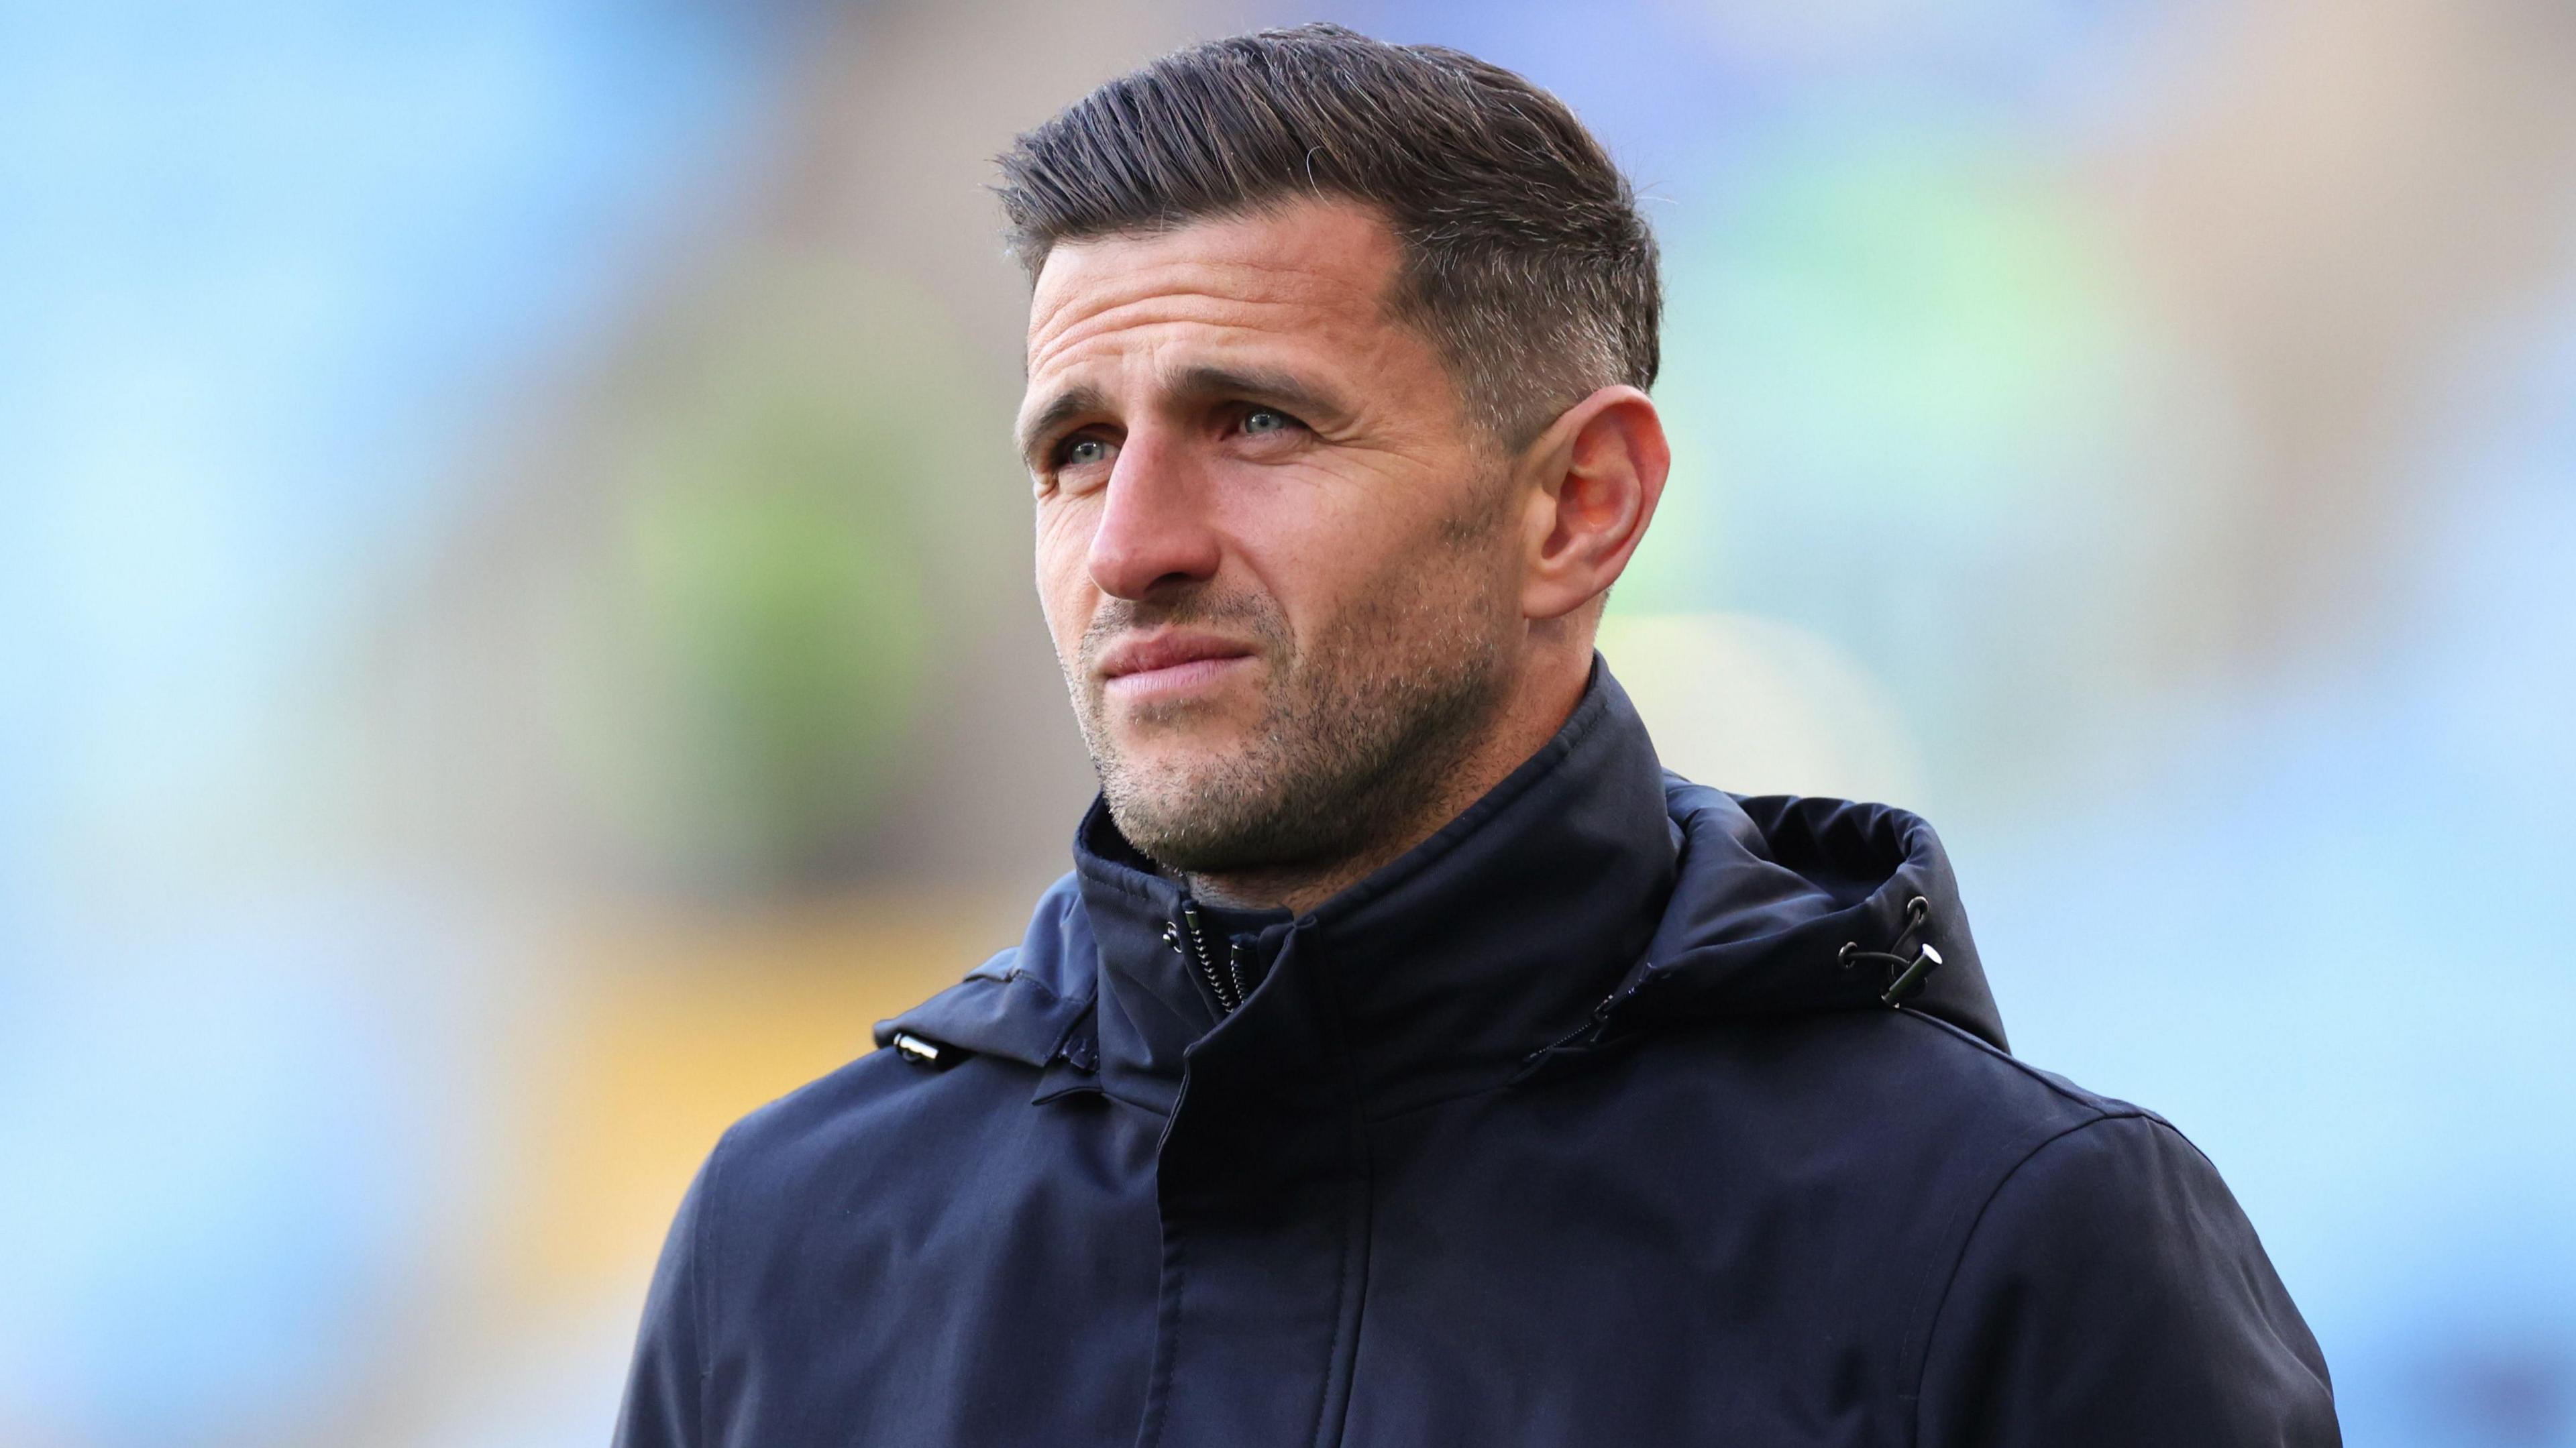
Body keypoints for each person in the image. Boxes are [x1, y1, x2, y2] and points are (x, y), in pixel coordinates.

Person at [613, 23, 2339, 1446]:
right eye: (1074, 449)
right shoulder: (794, 1240)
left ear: (1580, 505)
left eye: (1258, 420)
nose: (1132, 543)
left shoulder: (2010, 1241)